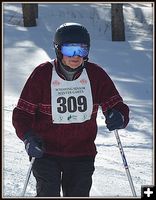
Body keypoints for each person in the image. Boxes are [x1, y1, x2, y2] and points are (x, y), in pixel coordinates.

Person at [12, 22, 129, 197]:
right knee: (47, 193)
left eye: (82, 50)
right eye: (70, 50)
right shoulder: (42, 74)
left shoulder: (95, 75)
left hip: (82, 152)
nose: (76, 56)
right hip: (46, 151)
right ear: (58, 50)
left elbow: (117, 105)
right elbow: (22, 113)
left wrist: (118, 115)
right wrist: (28, 137)